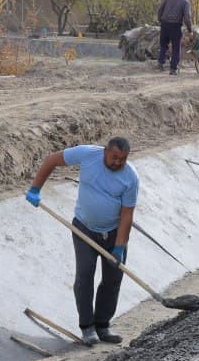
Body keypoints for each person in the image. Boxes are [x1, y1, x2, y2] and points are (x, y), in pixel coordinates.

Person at [26, 137, 138, 345]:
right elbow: (52, 160)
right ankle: (87, 327)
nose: (118, 162)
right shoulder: (88, 154)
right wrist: (35, 188)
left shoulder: (130, 177)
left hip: (114, 232)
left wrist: (119, 247)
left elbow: (127, 215)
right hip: (84, 229)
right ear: (105, 151)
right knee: (85, 275)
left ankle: (103, 325)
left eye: (122, 159)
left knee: (113, 278)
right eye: (114, 157)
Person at [157, 0, 194, 75]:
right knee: (176, 47)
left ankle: (160, 63)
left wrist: (160, 20)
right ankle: (173, 69)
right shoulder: (185, 2)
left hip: (164, 24)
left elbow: (160, 9)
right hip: (175, 26)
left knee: (163, 44)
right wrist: (190, 29)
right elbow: (187, 17)